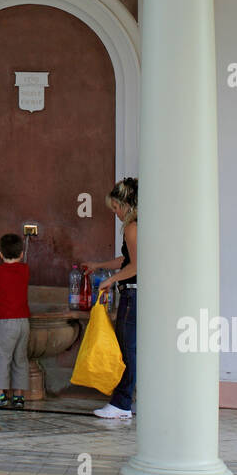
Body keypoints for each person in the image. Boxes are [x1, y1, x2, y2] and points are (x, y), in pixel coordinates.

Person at [85, 177, 138, 420]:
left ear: (126, 204)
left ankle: (121, 403)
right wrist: (100, 266)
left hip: (133, 294)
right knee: (132, 350)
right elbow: (125, 260)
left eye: (116, 208)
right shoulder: (141, 225)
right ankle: (127, 401)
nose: (115, 213)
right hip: (140, 295)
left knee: (127, 351)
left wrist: (110, 280)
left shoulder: (132, 227)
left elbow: (137, 266)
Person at [0, 232, 30, 410]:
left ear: (0, 254)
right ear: (21, 254)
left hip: (5, 321)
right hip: (23, 321)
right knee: (21, 359)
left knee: (0, 358)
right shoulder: (25, 269)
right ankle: (19, 397)